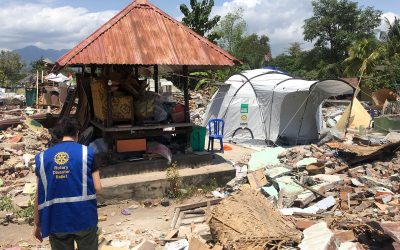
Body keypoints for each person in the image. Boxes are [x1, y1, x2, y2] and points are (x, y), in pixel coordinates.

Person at [33, 118, 102, 250]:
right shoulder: (87, 152)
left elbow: (38, 194)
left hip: (56, 220)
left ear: (58, 135)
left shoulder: (42, 158)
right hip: (84, 217)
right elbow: (98, 187)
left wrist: (37, 224)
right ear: (77, 133)